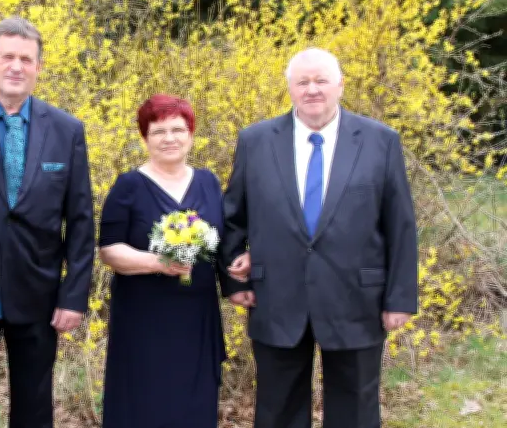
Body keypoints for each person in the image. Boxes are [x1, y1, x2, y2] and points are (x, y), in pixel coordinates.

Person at [220, 48, 418, 428]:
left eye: (321, 80)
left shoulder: (380, 141)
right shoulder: (255, 140)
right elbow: (233, 216)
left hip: (357, 299)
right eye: (303, 82)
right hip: (276, 296)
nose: (312, 89)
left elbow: (400, 225)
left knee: (356, 409)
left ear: (341, 85)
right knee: (277, 408)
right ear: (290, 88)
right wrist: (233, 276)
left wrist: (400, 298)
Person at [0, 17, 95, 428]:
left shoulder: (66, 129)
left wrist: (74, 296)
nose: (16, 66)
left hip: (39, 292)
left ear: (39, 67)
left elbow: (80, 221)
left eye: (26, 59)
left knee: (34, 402)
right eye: (7, 56)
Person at [98, 94, 250, 428]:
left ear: (191, 134)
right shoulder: (128, 186)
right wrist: (158, 262)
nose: (170, 138)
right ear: (145, 138)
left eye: (178, 130)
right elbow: (108, 249)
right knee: (145, 398)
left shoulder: (208, 182)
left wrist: (240, 272)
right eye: (159, 131)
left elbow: (225, 241)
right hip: (144, 316)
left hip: (196, 313)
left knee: (193, 398)